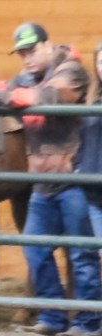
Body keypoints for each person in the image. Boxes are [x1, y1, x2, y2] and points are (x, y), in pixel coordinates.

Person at [0, 22, 101, 336]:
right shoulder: (24, 79)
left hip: (72, 180)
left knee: (81, 254)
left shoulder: (72, 71)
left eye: (31, 50)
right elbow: (7, 94)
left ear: (47, 45)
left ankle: (88, 321)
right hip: (42, 184)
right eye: (22, 53)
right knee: (35, 249)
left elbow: (49, 95)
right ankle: (53, 317)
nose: (26, 58)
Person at [75, 42, 102, 260]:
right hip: (93, 192)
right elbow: (83, 138)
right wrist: (78, 167)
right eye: (101, 62)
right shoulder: (91, 100)